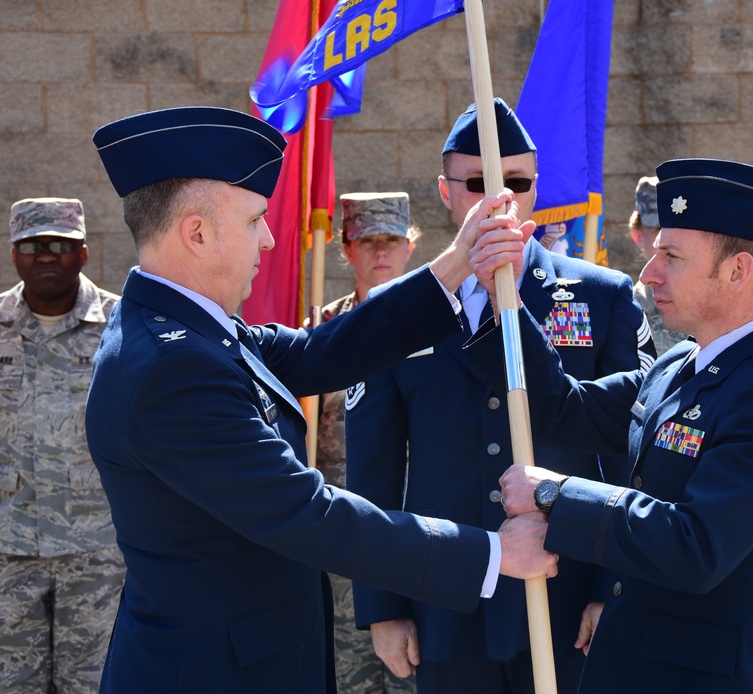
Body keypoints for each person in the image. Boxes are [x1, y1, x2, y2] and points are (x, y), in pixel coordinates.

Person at [85, 105, 556, 693]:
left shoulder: (191, 330)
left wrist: (458, 262)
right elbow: (307, 512)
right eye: (256, 218)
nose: (270, 235)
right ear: (197, 234)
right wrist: (493, 553)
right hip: (212, 672)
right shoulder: (172, 365)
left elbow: (319, 351)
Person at [468, 158, 753, 692]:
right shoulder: (677, 364)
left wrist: (557, 497)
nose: (648, 272)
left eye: (671, 256)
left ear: (738, 271)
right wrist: (509, 304)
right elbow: (563, 411)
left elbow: (696, 547)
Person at [345, 98, 657, 694]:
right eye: (479, 181)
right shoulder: (398, 311)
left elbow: (628, 455)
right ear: (445, 191)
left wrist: (609, 589)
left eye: (517, 180)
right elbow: (374, 471)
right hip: (447, 595)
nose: (501, 196)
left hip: (567, 591)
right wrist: (383, 605)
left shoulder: (600, 296)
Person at [0, 198, 124, 693]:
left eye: (60, 244)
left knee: (92, 684)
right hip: (7, 548)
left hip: (96, 550)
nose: (46, 255)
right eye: (32, 246)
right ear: (14, 256)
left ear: (84, 253)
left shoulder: (123, 325)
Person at [314, 191, 420, 694]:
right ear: (347, 249)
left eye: (392, 240)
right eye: (367, 240)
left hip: (417, 532)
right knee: (349, 677)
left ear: (410, 247)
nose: (381, 252)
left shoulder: (440, 328)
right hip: (342, 539)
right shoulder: (318, 336)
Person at [629, 176, 687, 355]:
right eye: (659, 230)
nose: (669, 240)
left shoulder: (720, 306)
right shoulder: (625, 312)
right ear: (638, 236)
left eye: (680, 230)